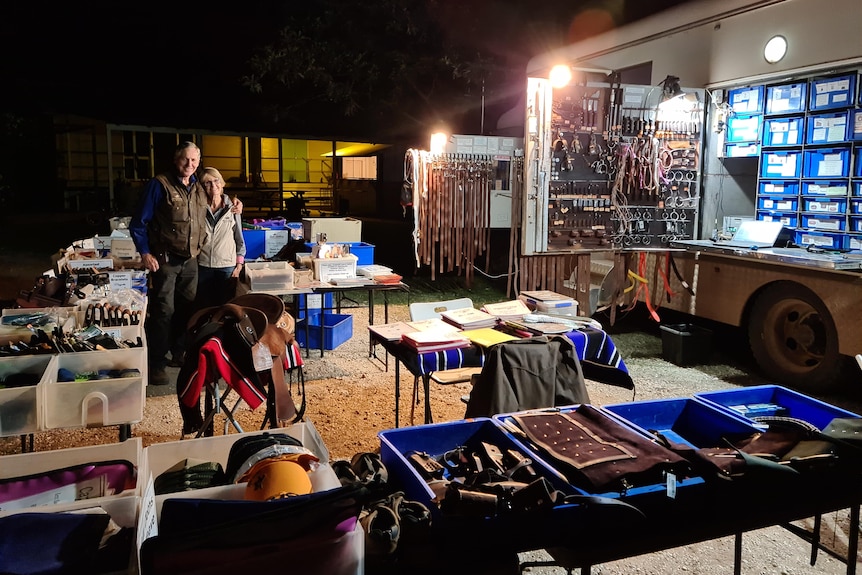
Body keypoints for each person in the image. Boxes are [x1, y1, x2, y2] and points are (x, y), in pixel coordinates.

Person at [129, 142, 242, 385]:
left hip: (191, 261)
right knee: (163, 311)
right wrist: (145, 253)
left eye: (194, 161)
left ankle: (178, 353)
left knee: (187, 309)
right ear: (175, 158)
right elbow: (138, 222)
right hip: (165, 261)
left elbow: (217, 194)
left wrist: (235, 205)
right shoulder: (159, 185)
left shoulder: (198, 187)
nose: (189, 165)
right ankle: (156, 363)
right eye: (185, 160)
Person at [195, 167, 245, 310]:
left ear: (222, 183)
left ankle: (221, 333)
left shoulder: (233, 208)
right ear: (202, 187)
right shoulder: (198, 208)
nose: (213, 186)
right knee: (204, 307)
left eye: (216, 181)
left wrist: (239, 264)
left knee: (226, 308)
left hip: (226, 267)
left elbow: (239, 237)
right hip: (203, 265)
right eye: (207, 183)